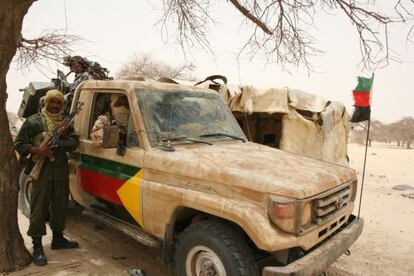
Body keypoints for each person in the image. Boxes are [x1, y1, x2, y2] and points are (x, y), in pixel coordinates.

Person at [14, 89, 80, 266]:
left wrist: (65, 137)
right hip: (41, 170)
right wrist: (38, 150)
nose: (56, 106)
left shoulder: (65, 122)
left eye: (59, 103)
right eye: (53, 102)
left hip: (60, 170)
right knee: (38, 208)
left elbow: (75, 143)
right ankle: (37, 246)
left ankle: (58, 239)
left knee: (60, 205)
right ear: (46, 103)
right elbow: (19, 143)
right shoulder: (34, 121)